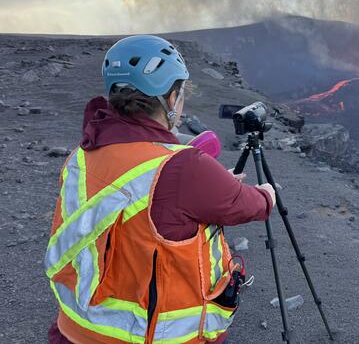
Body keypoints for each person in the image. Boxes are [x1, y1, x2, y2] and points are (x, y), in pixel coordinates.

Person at [44, 35, 276, 344]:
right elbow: (252, 205)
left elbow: (146, 203)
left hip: (75, 329)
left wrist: (211, 186)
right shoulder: (183, 167)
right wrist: (268, 193)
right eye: (180, 94)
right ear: (170, 99)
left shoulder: (82, 156)